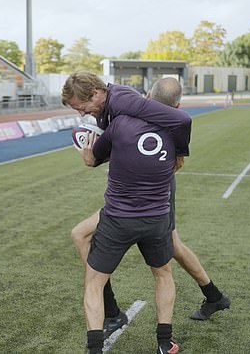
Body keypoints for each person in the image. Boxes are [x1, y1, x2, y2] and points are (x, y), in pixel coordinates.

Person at [69, 76, 230, 332]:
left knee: (82, 234)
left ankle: (111, 312)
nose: (81, 112)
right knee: (172, 244)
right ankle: (214, 296)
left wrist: (179, 154)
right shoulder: (116, 102)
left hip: (149, 189)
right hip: (147, 185)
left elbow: (176, 122)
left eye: (82, 106)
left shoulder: (124, 102)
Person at [63, 72, 192, 354]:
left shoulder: (121, 116)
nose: (81, 112)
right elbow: (181, 122)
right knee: (163, 273)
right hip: (157, 215)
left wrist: (89, 156)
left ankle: (95, 347)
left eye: (80, 106)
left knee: (93, 282)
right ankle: (164, 344)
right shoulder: (167, 131)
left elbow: (95, 156)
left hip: (119, 217)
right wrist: (180, 152)